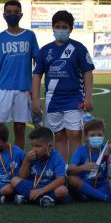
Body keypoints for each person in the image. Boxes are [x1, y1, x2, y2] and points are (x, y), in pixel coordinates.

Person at [32, 10, 94, 160]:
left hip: (74, 98)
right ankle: (63, 171)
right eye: (57, 26)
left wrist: (88, 98)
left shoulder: (78, 48)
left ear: (70, 29)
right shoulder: (45, 50)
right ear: (53, 28)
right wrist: (35, 99)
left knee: (74, 134)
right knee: (58, 136)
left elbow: (87, 73)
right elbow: (37, 75)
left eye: (64, 27)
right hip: (53, 100)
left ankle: (77, 169)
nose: (61, 29)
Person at [0, 0, 40, 150]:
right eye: (9, 12)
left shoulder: (30, 35)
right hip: (3, 88)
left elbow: (37, 62)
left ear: (21, 14)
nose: (12, 15)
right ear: (4, 15)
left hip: (23, 88)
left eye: (15, 12)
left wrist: (35, 87)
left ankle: (19, 159)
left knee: (19, 127)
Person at [10, 127, 69, 208]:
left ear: (49, 146)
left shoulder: (57, 158)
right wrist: (26, 161)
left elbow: (61, 180)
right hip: (33, 185)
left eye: (38, 146)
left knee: (62, 190)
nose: (34, 149)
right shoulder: (31, 157)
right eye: (33, 146)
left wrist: (41, 191)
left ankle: (28, 198)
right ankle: (44, 199)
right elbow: (22, 177)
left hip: (49, 187)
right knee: (14, 180)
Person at [67, 118, 111, 202]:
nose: (96, 137)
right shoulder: (80, 150)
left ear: (103, 136)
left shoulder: (106, 149)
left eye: (99, 135)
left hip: (101, 184)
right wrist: (83, 167)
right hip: (84, 184)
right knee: (71, 179)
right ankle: (105, 198)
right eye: (92, 135)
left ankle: (89, 196)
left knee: (108, 185)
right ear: (86, 137)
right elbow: (69, 169)